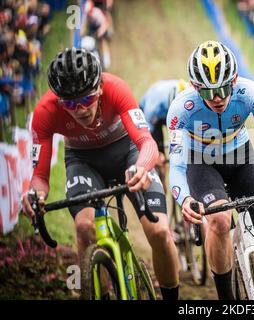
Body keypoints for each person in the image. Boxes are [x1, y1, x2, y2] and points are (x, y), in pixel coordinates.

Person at [21, 48, 180, 300]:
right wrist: (34, 194)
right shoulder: (44, 112)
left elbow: (146, 142)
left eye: (87, 99)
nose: (81, 109)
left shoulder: (117, 87)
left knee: (159, 232)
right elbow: (39, 177)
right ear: (59, 101)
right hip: (83, 161)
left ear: (101, 88)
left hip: (126, 152)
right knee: (84, 227)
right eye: (70, 104)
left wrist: (142, 167)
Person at [167, 40, 254, 300]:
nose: (217, 98)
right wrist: (185, 198)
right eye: (208, 92)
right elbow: (177, 166)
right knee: (219, 220)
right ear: (195, 88)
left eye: (224, 88)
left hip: (241, 160)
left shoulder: (249, 93)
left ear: (234, 80)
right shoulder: (181, 109)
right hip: (201, 164)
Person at [140, 78, 189, 188]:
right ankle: (161, 186)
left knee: (181, 145)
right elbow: (147, 132)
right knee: (158, 156)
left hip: (170, 108)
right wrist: (157, 153)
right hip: (154, 117)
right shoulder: (153, 107)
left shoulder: (186, 91)